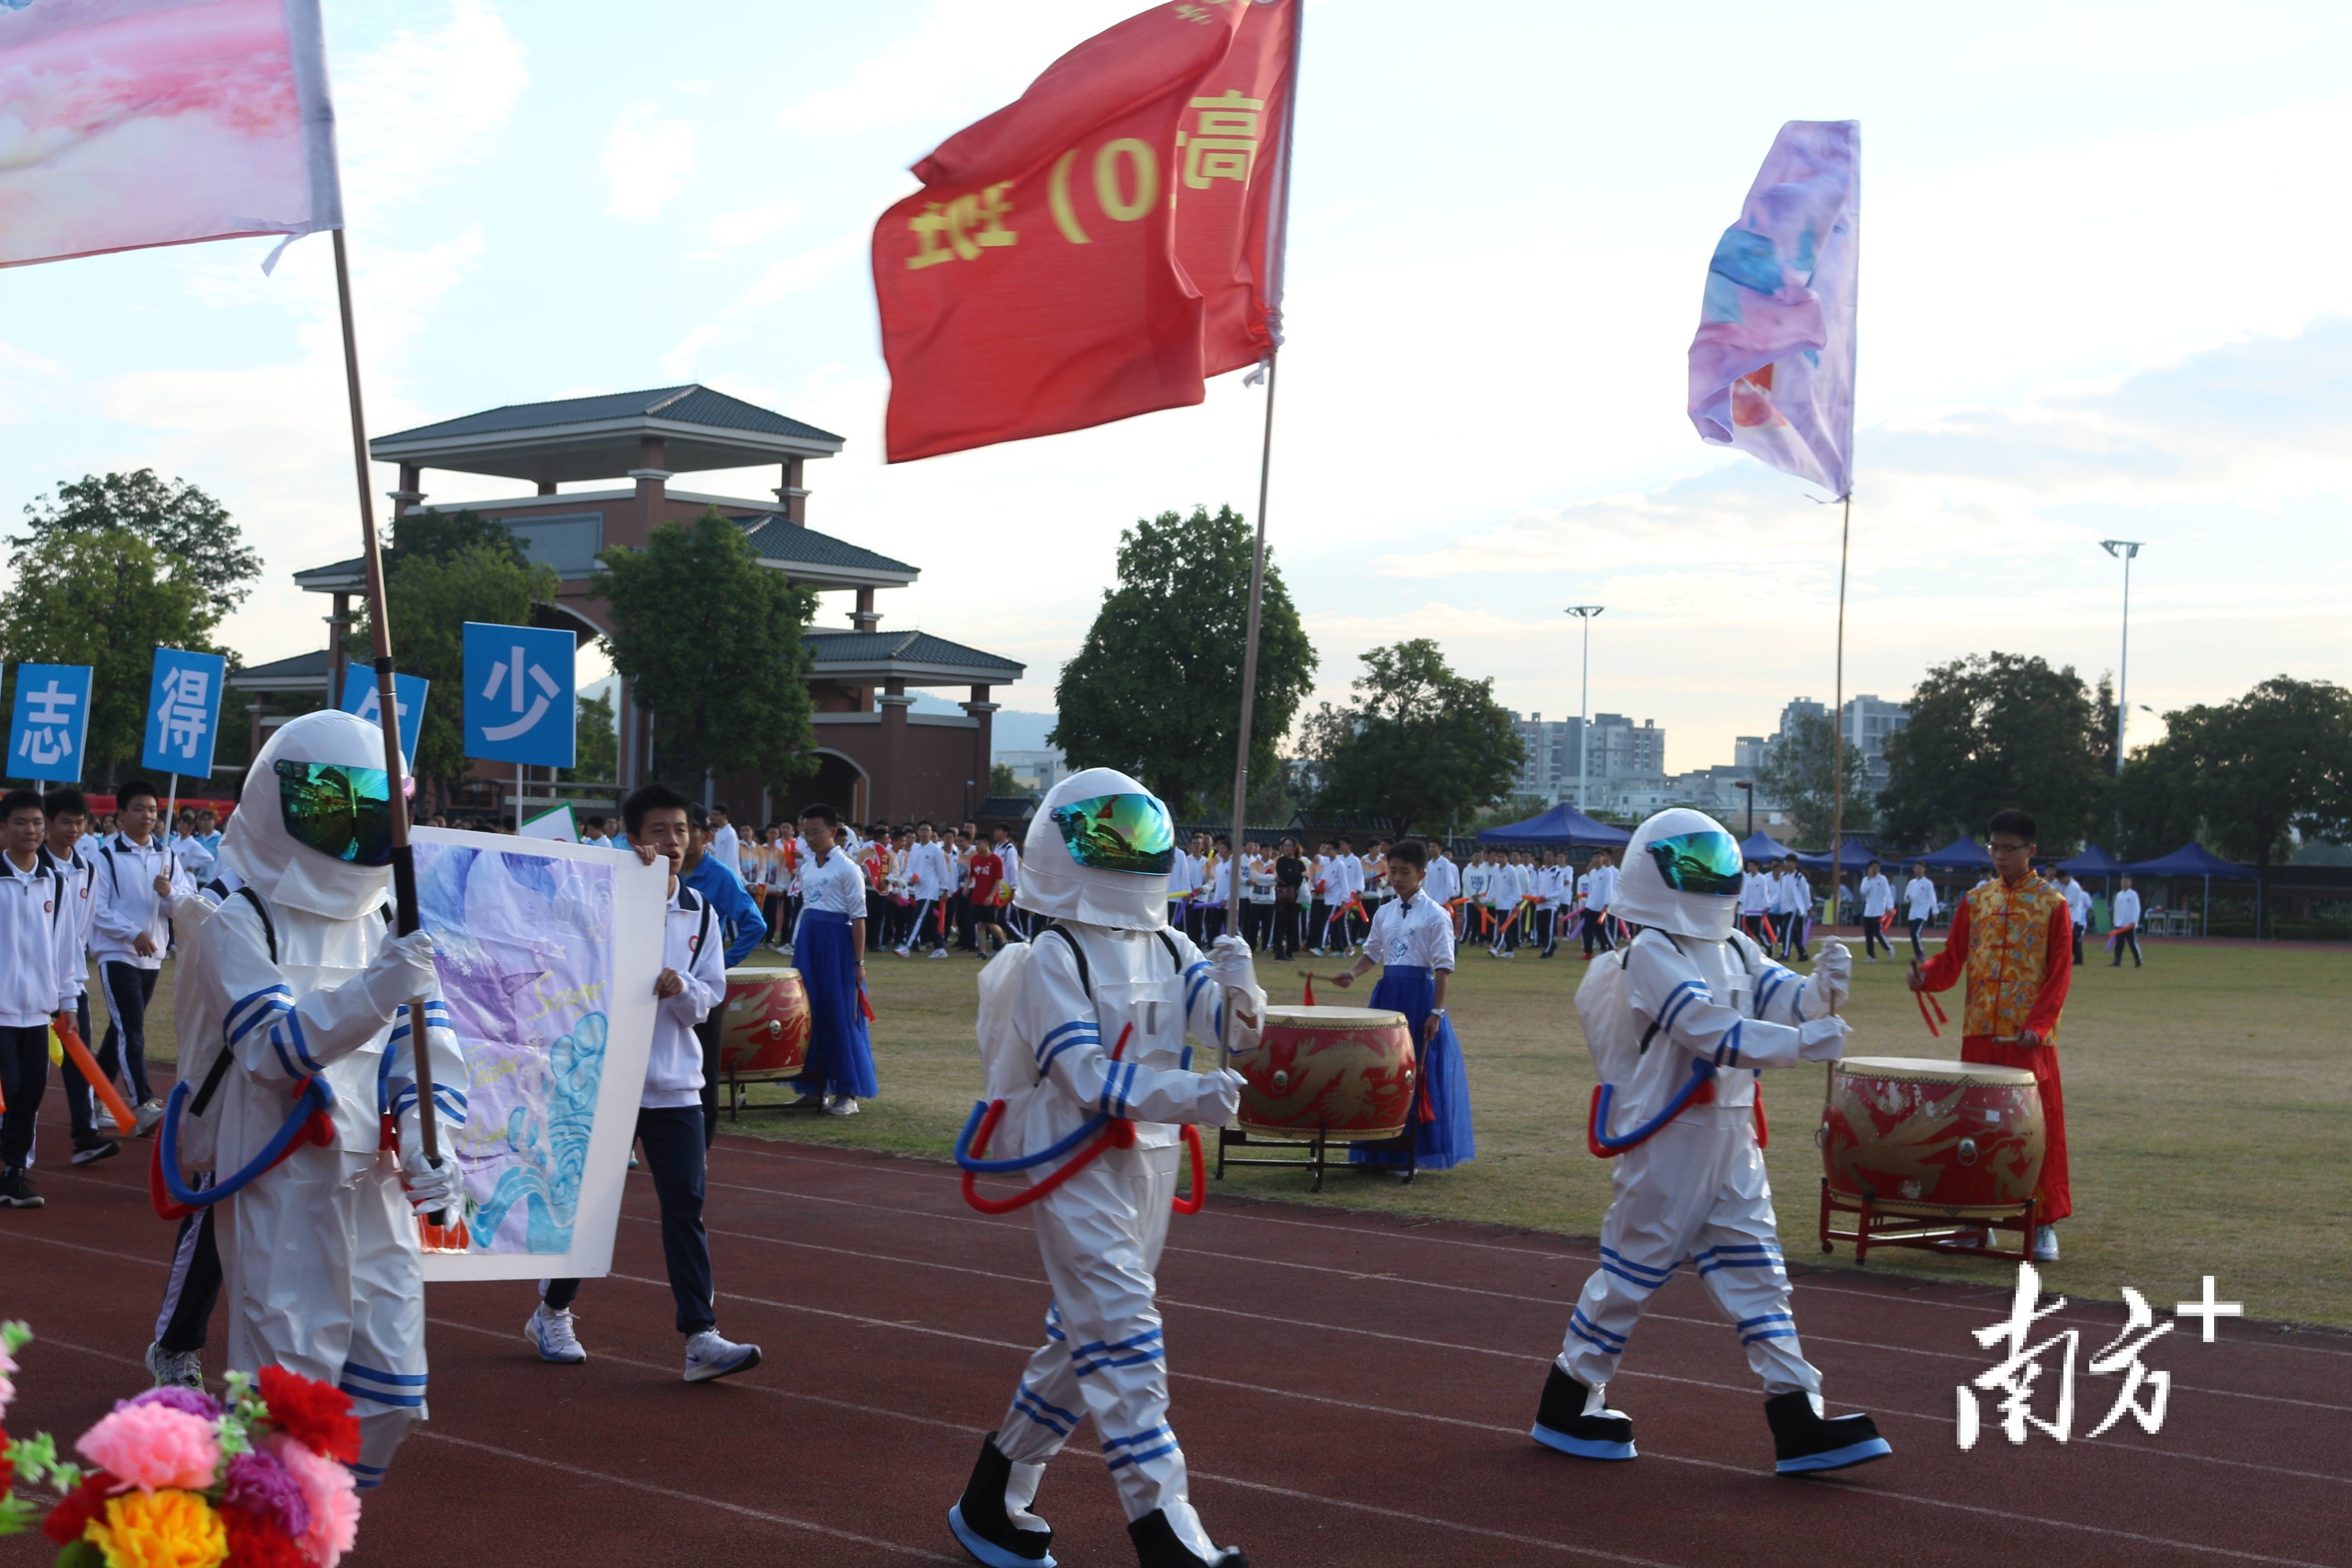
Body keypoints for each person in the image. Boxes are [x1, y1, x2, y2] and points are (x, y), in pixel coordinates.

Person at [948, 768, 1257, 1568]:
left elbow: (1233, 1031)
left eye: (1137, 829)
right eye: (1104, 832)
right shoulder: (1052, 953)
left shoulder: (1169, 941)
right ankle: (1165, 1528)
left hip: (1149, 1162)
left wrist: (1241, 985)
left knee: (1081, 1335)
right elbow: (1081, 1076)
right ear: (1060, 845)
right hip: (1077, 1159)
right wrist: (1189, 1093)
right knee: (1123, 1335)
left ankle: (995, 1491)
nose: (1126, 848)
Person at [1535, 808, 1886, 1477]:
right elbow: (1709, 1028)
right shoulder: (1650, 954)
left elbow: (1781, 1000)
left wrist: (1820, 991)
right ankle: (1569, 1396)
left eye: (1717, 859)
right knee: (1632, 1275)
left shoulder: (1735, 946)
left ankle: (1798, 1416)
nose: (1712, 872)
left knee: (1761, 1276)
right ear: (1655, 871)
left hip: (1731, 1135)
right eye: (1692, 861)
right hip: (1672, 1133)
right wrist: (1806, 1042)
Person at [168, 710, 467, 1485]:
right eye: (327, 804)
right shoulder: (240, 919)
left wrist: (434, 1139)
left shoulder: (389, 921)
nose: (353, 827)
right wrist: (379, 988)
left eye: (373, 808)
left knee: (391, 1388)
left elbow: (426, 1046)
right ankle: (278, 1528)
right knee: (289, 1381)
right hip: (279, 1170)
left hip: (375, 1176)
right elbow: (271, 1049)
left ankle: (316, 1516)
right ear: (277, 801)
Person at [526, 783, 760, 1383]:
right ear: (632, 840)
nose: (673, 842)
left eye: (681, 830)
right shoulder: (598, 902)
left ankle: (700, 1336)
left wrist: (681, 989)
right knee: (588, 1205)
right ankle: (552, 1311)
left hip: (674, 1084)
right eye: (659, 831)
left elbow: (709, 996)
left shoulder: (702, 911)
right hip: (606, 1080)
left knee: (685, 1205)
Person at [1909, 808, 2073, 1263]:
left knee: (2036, 1133)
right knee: (1973, 1131)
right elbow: (1951, 960)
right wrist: (1925, 977)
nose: (2000, 856)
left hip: (2028, 1044)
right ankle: (1972, 1223)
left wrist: (2038, 1027)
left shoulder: (2054, 905)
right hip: (1979, 1036)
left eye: (2009, 848)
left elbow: (2060, 976)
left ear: (2031, 851)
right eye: (1994, 847)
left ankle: (2042, 1226)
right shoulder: (1975, 901)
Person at [1323, 838, 1476, 1173]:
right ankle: (1379, 1149)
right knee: (1379, 1069)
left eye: (1404, 873)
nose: (1397, 878)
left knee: (1414, 1072)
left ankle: (1413, 1154)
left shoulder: (1437, 916)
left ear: (1421, 874)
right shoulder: (1384, 912)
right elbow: (1373, 953)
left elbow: (1443, 968)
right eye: (1392, 872)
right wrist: (1352, 973)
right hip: (1388, 997)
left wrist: (1436, 1013)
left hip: (1419, 998)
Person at [89, 779, 186, 1135]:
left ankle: (93, 1096)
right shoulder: (104, 856)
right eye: (139, 809)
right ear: (121, 814)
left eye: (153, 810)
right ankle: (142, 1101)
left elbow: (184, 906)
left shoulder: (168, 856)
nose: (147, 816)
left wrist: (170, 892)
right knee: (132, 1027)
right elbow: (96, 909)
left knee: (121, 1028)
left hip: (153, 956)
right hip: (118, 953)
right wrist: (133, 934)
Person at [0, 788, 81, 1209]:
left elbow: (66, 948)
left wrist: (69, 1002)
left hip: (38, 1013)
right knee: (9, 1092)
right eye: (20, 823)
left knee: (29, 1096)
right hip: (1, 1011)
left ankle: (15, 1175)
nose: (30, 831)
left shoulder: (57, 883)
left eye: (36, 823)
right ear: (3, 829)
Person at [678, 804, 767, 1147]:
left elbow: (754, 924)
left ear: (707, 835)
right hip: (659, 985)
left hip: (701, 988)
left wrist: (723, 963)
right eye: (672, 830)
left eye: (687, 830)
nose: (679, 839)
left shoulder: (720, 876)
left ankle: (701, 1145)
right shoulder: (659, 871)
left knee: (703, 1069)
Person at [36, 789, 113, 1167]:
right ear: (47, 824)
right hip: (29, 984)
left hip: (69, 982)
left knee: (78, 1060)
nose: (73, 829)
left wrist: (72, 978)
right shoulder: (32, 867)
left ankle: (85, 1136)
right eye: (65, 821)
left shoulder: (88, 869)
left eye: (80, 822)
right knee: (21, 1068)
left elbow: (81, 929)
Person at [790, 804, 878, 1114]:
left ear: (834, 832)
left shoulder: (848, 869)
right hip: (810, 943)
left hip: (837, 946)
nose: (810, 838)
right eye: (806, 833)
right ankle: (814, 1088)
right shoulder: (808, 867)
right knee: (807, 1013)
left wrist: (859, 964)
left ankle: (847, 1093)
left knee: (841, 1013)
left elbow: (859, 918)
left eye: (816, 832)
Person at [899, 821, 952, 958]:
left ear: (931, 833)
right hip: (918, 889)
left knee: (917, 918)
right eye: (922, 830)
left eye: (927, 830)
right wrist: (912, 877)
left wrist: (945, 889)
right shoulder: (915, 849)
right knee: (929, 921)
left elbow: (942, 870)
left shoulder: (935, 850)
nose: (924, 833)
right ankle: (940, 948)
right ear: (918, 833)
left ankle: (907, 946)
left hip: (930, 890)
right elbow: (910, 867)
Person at [1272, 838, 1305, 961]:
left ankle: (1290, 951)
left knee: (1293, 926)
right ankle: (1279, 951)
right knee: (1281, 925)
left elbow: (1299, 879)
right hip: (1282, 898)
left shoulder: (1299, 863)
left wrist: (1292, 878)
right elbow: (1285, 876)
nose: (1287, 848)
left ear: (1295, 847)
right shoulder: (1281, 861)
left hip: (1295, 899)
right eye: (1285, 845)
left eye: (1290, 846)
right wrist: (1294, 877)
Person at [1774, 856, 1811, 962]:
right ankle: (1802, 954)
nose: (1788, 864)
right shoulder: (1784, 877)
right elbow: (1779, 894)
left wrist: (1809, 908)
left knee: (1787, 930)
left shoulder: (1799, 878)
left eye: (1790, 862)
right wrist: (1770, 905)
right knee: (1794, 933)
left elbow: (1805, 894)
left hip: (1795, 908)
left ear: (1795, 864)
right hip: (1785, 908)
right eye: (1786, 862)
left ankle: (1786, 955)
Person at [1857, 859, 1894, 962]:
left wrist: (1890, 907)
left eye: (1877, 867)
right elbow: (1863, 892)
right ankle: (1871, 956)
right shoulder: (1866, 880)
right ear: (1869, 869)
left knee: (1877, 932)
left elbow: (1888, 893)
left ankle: (1889, 948)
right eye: (1873, 867)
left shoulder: (1882, 879)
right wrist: (1869, 879)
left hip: (1879, 910)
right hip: (1869, 911)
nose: (1875, 869)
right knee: (1868, 933)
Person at [1903, 861, 1937, 962]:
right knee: (1913, 934)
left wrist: (1935, 911)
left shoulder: (1928, 883)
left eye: (1920, 868)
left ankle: (1921, 953)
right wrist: (1908, 898)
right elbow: (1906, 898)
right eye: (1916, 868)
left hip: (1923, 912)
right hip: (1913, 913)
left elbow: (1932, 898)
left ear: (1924, 870)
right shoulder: (1912, 883)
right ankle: (1918, 954)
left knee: (1915, 933)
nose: (1918, 871)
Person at [2109, 875, 2143, 968]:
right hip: (2120, 924)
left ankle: (2138, 960)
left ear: (2130, 883)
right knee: (2119, 944)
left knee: (2132, 943)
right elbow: (2117, 909)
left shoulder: (2133, 895)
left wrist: (2134, 921)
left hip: (2129, 924)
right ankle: (2117, 961)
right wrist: (2115, 921)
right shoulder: (2119, 895)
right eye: (2123, 881)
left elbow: (2137, 909)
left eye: (2126, 882)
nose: (2124, 883)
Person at [1739, 859, 1774, 948]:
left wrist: (1767, 905)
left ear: (1757, 867)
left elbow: (1765, 893)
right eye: (1749, 866)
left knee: (1758, 932)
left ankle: (1768, 945)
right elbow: (1744, 892)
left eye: (1752, 866)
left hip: (1758, 910)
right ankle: (1752, 948)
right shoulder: (1747, 878)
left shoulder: (1762, 879)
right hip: (1748, 910)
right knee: (1748, 931)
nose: (1750, 868)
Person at [2061, 872, 2092, 966]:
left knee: (2076, 940)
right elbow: (2090, 907)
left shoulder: (2077, 891)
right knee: (2075, 940)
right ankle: (2076, 958)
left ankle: (2078, 959)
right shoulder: (2074, 890)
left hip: (2078, 919)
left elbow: (2088, 906)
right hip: (2078, 918)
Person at [706, 803, 741, 878]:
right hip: (719, 873)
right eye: (713, 814)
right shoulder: (719, 833)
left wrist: (728, 877)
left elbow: (732, 859)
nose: (714, 817)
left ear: (725, 816)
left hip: (729, 875)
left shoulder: (731, 834)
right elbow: (717, 852)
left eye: (716, 814)